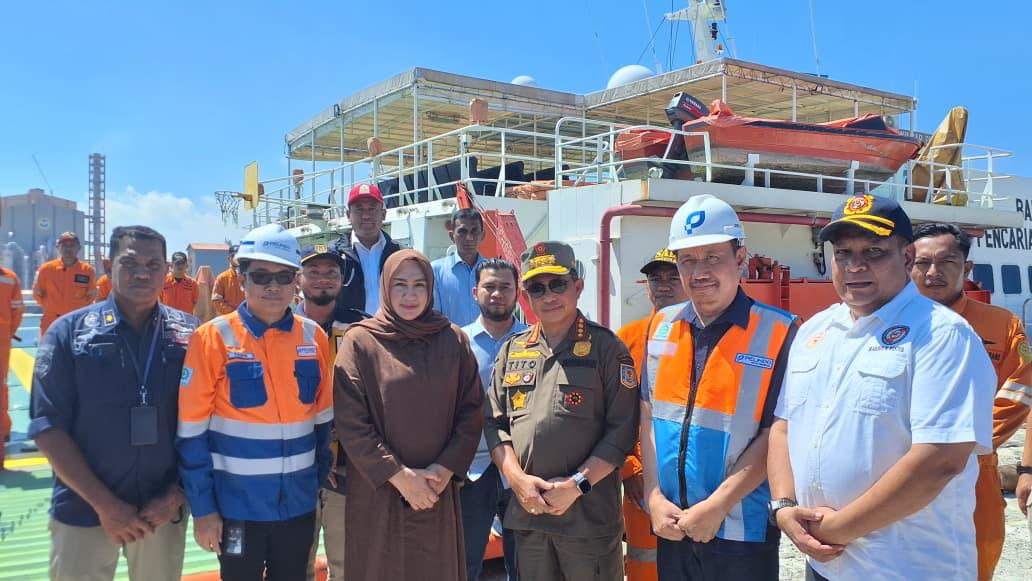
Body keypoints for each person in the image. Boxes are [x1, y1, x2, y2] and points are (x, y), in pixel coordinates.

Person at [768, 194, 995, 580]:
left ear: (907, 258)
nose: (855, 265)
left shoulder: (941, 335)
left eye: (874, 252)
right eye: (843, 253)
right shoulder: (814, 330)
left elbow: (940, 459)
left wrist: (837, 530)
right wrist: (784, 507)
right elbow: (784, 424)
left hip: (906, 567)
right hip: (824, 566)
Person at [640, 196, 798, 581]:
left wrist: (717, 506)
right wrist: (653, 496)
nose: (698, 272)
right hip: (672, 524)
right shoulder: (661, 325)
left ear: (740, 258)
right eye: (687, 260)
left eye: (712, 257)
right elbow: (648, 416)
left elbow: (778, 434)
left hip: (741, 529)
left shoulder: (780, 332)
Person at [29, 225, 196, 581]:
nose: (142, 273)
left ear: (167, 270)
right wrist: (106, 505)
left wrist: (177, 493)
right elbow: (47, 426)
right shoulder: (69, 333)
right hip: (83, 508)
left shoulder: (191, 335)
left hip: (160, 510)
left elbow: (209, 422)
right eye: (130, 262)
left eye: (154, 265)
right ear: (107, 264)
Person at [177, 224, 333, 580]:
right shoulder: (212, 339)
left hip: (297, 507)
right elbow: (190, 433)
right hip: (236, 510)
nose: (273, 286)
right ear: (242, 278)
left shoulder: (314, 337)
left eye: (283, 276)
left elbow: (323, 422)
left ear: (297, 281)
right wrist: (203, 510)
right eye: (261, 276)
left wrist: (314, 485)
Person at [484, 241, 640, 581]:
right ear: (525, 295)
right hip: (528, 518)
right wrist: (516, 480)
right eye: (537, 288)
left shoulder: (607, 349)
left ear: (577, 286)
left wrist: (576, 484)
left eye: (558, 283)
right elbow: (494, 424)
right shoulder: (512, 349)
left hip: (588, 521)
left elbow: (623, 431)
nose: (548, 295)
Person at [333, 249, 483, 580]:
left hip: (436, 492)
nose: (410, 294)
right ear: (386, 286)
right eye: (400, 284)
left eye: (419, 285)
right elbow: (351, 422)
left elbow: (471, 413)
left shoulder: (452, 339)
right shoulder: (361, 342)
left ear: (431, 289)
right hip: (380, 493)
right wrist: (400, 477)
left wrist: (443, 471)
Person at [910, 222, 1032, 580]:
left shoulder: (1003, 326)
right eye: (922, 262)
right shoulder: (883, 322)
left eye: (947, 261)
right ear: (907, 264)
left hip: (976, 469)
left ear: (967, 269)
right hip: (892, 466)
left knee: (975, 561)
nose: (933, 272)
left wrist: (958, 444)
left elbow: (1020, 391)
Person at [295, 243, 367, 581]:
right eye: (314, 272)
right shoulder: (280, 324)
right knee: (295, 564)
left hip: (347, 468)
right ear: (299, 278)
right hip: (294, 468)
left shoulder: (363, 327)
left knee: (347, 565)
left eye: (331, 274)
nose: (323, 280)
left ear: (341, 280)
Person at [616, 247, 688, 581]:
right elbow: (612, 413)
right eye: (655, 278)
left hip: (696, 478)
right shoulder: (626, 340)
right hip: (643, 477)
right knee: (645, 560)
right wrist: (630, 470)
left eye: (673, 276)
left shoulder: (707, 337)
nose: (663, 285)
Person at [459, 258, 527, 581]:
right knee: (466, 562)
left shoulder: (534, 342)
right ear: (475, 292)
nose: (497, 293)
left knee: (523, 563)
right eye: (489, 286)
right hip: (473, 470)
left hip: (522, 469)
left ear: (517, 293)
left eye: (505, 287)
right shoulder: (458, 344)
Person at [335, 183, 401, 314]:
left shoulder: (401, 253)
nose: (366, 216)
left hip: (394, 332)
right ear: (348, 215)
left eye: (372, 209)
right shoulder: (334, 255)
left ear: (383, 214)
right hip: (349, 332)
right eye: (359, 209)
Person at [33, 231, 97, 337]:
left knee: (77, 352)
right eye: (64, 245)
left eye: (72, 245)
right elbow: (37, 294)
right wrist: (52, 307)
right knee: (49, 353)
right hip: (51, 324)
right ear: (58, 247)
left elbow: (91, 296)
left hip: (77, 324)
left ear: (79, 248)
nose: (68, 249)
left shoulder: (88, 271)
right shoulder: (46, 269)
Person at [432, 207, 486, 326]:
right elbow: (433, 316)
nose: (469, 238)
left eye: (474, 231)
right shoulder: (435, 271)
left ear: (483, 235)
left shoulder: (492, 271)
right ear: (452, 236)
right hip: (450, 343)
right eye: (462, 232)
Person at [0, 265, 24, 459]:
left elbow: (17, 308)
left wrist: (7, 333)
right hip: (3, 337)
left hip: (2, 339)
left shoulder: (9, 277)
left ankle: (3, 430)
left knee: (1, 386)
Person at [211, 245, 245, 316]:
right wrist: (234, 313)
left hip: (248, 318)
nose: (236, 258)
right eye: (233, 256)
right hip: (228, 319)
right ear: (229, 258)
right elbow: (216, 300)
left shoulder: (250, 277)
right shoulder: (222, 278)